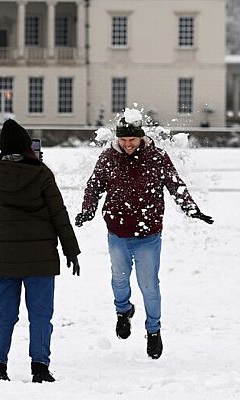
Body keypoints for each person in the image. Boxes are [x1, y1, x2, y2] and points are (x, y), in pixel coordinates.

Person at [75, 116, 213, 360]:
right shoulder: (109, 157)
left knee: (149, 286)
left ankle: (153, 331)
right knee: (119, 280)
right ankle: (123, 311)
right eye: (124, 139)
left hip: (148, 234)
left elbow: (175, 184)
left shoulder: (157, 157)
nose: (128, 144)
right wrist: (87, 210)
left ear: (141, 137)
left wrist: (192, 209)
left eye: (133, 139)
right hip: (117, 232)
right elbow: (94, 186)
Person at [0, 119, 81, 383]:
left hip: (4, 259)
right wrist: (71, 250)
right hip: (40, 258)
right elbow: (58, 214)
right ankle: (39, 367)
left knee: (5, 313)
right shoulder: (41, 173)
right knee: (40, 314)